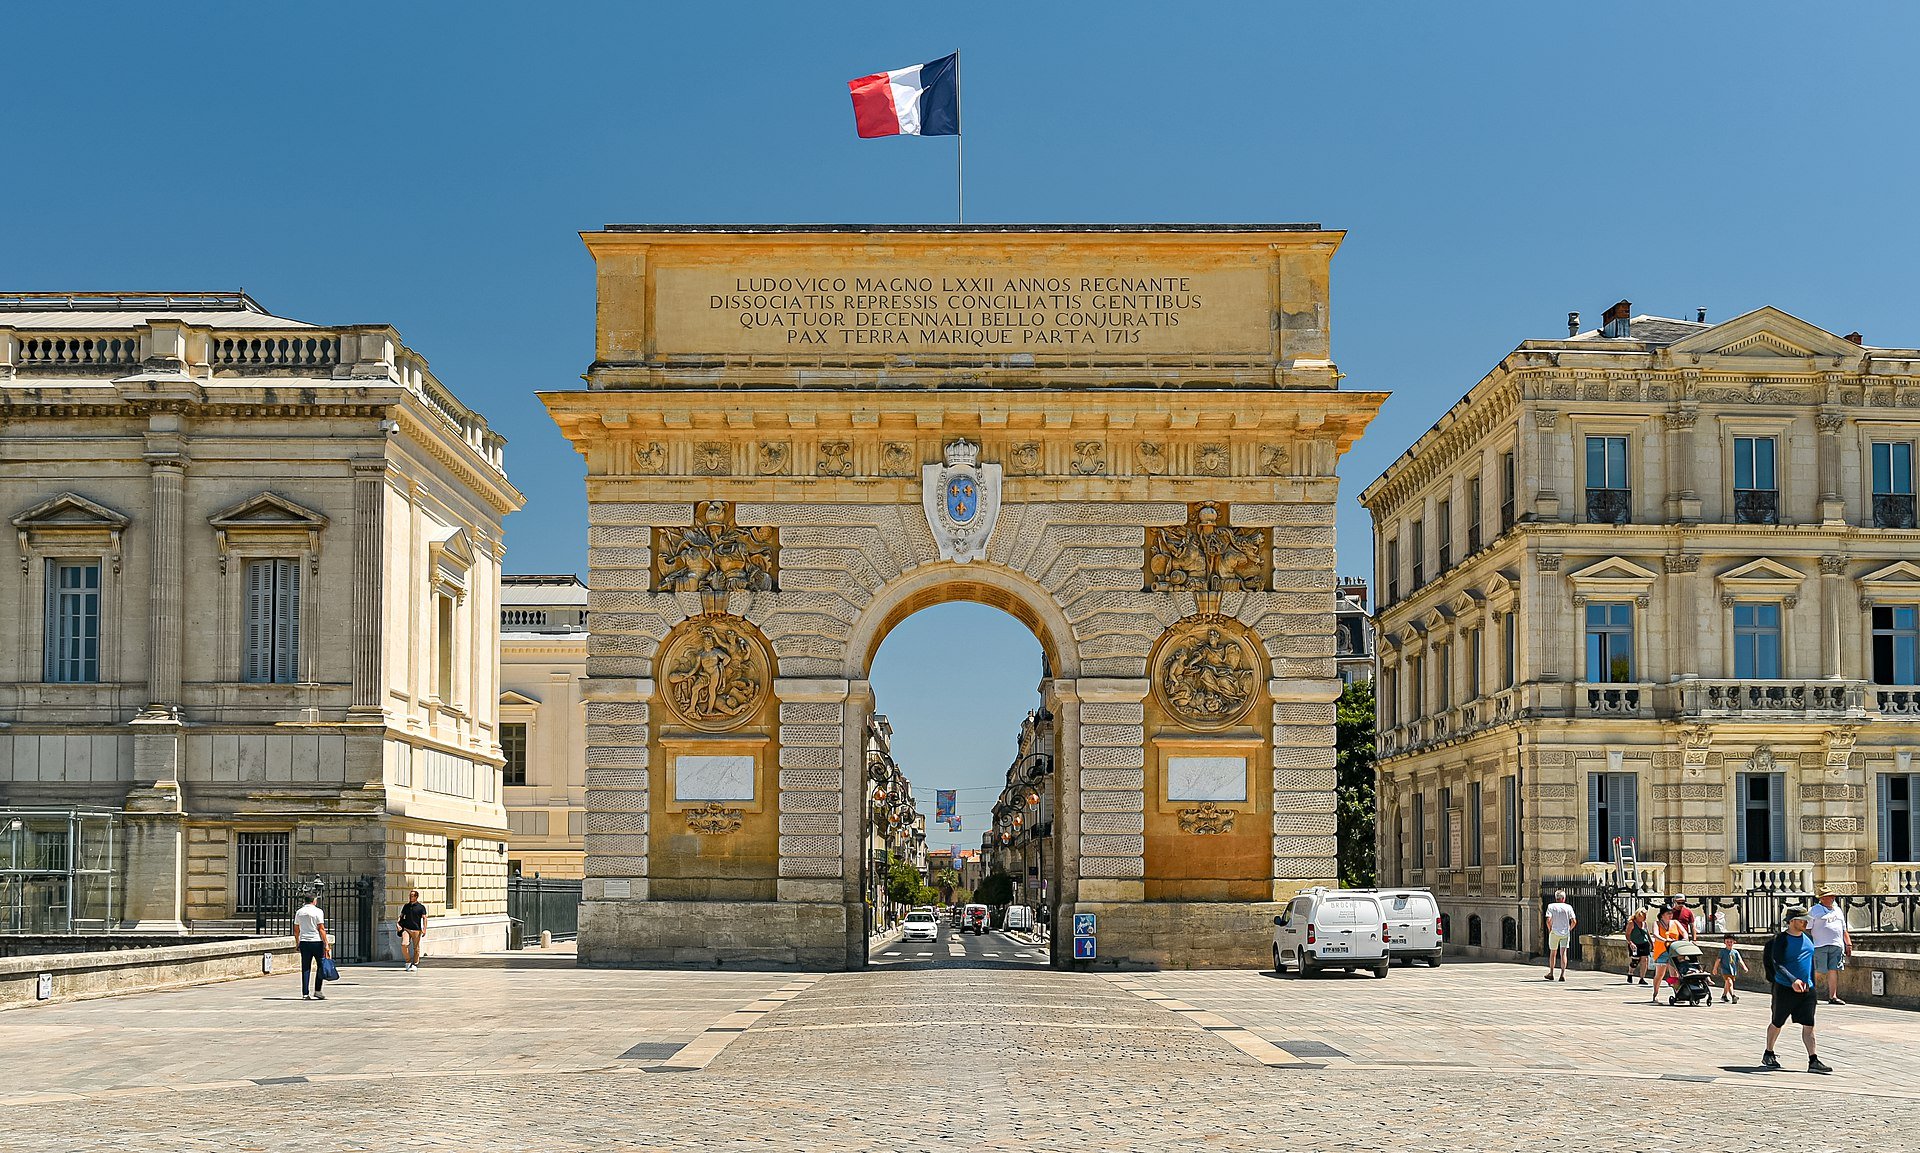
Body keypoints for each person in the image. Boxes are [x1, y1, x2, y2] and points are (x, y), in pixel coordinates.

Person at [1761, 906, 1831, 1074]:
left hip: (1807, 990)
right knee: (1777, 1022)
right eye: (1802, 920)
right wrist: (1793, 980)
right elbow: (1777, 963)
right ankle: (1768, 1052)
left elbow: (1809, 963)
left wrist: (1812, 985)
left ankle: (1813, 1060)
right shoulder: (1781, 940)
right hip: (1785, 988)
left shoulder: (1808, 938)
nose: (1806, 922)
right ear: (1791, 921)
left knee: (1809, 1025)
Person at [1807, 888, 1854, 1006]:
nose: (1832, 898)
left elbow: (1843, 929)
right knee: (1819, 970)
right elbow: (1807, 928)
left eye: (1833, 896)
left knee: (1834, 969)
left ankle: (1833, 996)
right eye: (1830, 896)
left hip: (1836, 944)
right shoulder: (1814, 910)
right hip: (1820, 944)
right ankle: (1809, 993)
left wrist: (1848, 943)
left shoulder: (1838, 910)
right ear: (1822, 898)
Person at [295, 892, 331, 1002]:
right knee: (320, 965)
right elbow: (321, 928)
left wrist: (297, 942)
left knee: (306, 967)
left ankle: (305, 993)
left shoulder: (299, 912)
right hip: (316, 941)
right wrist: (326, 944)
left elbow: (296, 930)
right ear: (314, 901)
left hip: (304, 941)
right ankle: (317, 990)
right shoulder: (318, 911)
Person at [1648, 907, 1685, 1002]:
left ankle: (1677, 993)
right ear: (1662, 915)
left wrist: (1685, 939)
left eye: (1671, 913)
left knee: (1674, 974)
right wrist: (1665, 940)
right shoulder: (1657, 923)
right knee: (1660, 974)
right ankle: (1655, 993)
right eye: (1668, 913)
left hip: (1673, 951)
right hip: (1661, 952)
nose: (1670, 915)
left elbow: (1683, 932)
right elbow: (1655, 935)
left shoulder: (1675, 923)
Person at [1543, 889, 1577, 982]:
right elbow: (1574, 921)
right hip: (1565, 932)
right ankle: (1562, 974)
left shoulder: (1551, 906)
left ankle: (1551, 973)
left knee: (1553, 953)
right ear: (1564, 898)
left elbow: (1548, 920)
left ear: (1556, 898)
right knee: (1563, 953)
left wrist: (1550, 928)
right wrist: (1569, 928)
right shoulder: (1568, 907)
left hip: (1554, 931)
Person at [397, 889, 429, 972]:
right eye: (410, 895)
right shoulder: (406, 906)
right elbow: (401, 916)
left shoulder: (421, 907)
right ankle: (408, 961)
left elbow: (425, 918)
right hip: (406, 929)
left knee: (416, 948)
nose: (410, 897)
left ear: (416, 897)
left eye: (412, 896)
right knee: (404, 944)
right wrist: (398, 924)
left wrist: (424, 929)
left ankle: (415, 964)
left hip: (416, 930)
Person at [1712, 932, 1747, 1004]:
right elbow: (1718, 960)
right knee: (1729, 982)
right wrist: (1715, 968)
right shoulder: (1722, 951)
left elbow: (1740, 960)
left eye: (1731, 942)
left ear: (1734, 942)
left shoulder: (1735, 952)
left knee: (1727, 983)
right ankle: (1733, 996)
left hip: (1733, 970)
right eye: (1727, 941)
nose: (1729, 943)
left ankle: (1724, 996)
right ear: (1724, 942)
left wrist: (1744, 967)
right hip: (1725, 970)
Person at [1624, 908, 1652, 985]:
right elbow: (1627, 934)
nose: (1644, 918)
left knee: (1644, 960)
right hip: (1635, 944)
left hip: (1644, 943)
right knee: (1635, 961)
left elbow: (1647, 933)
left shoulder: (1644, 923)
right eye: (1643, 916)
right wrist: (1630, 943)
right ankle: (1630, 973)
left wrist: (1651, 942)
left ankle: (1642, 978)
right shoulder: (1631, 923)